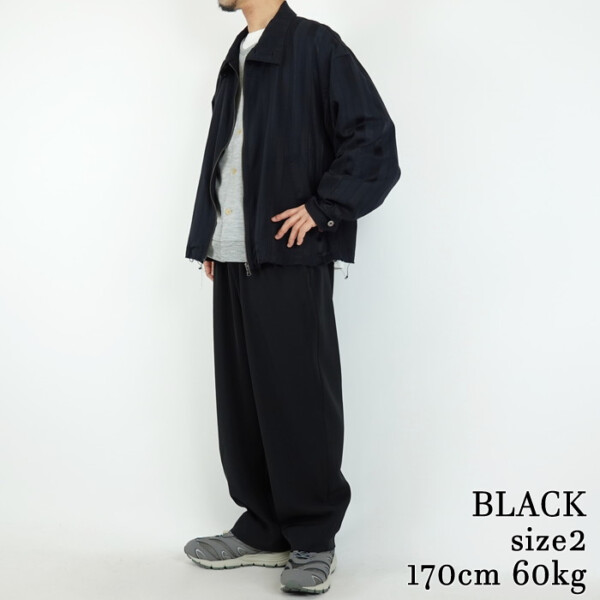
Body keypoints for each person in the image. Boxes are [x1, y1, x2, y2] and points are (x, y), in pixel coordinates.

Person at [183, 0, 400, 594]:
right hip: (234, 252)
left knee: (298, 396)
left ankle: (313, 536)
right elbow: (225, 153)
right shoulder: (238, 53)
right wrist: (210, 236)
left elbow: (374, 138)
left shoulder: (314, 45)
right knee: (244, 398)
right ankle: (264, 528)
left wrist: (324, 208)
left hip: (288, 251)